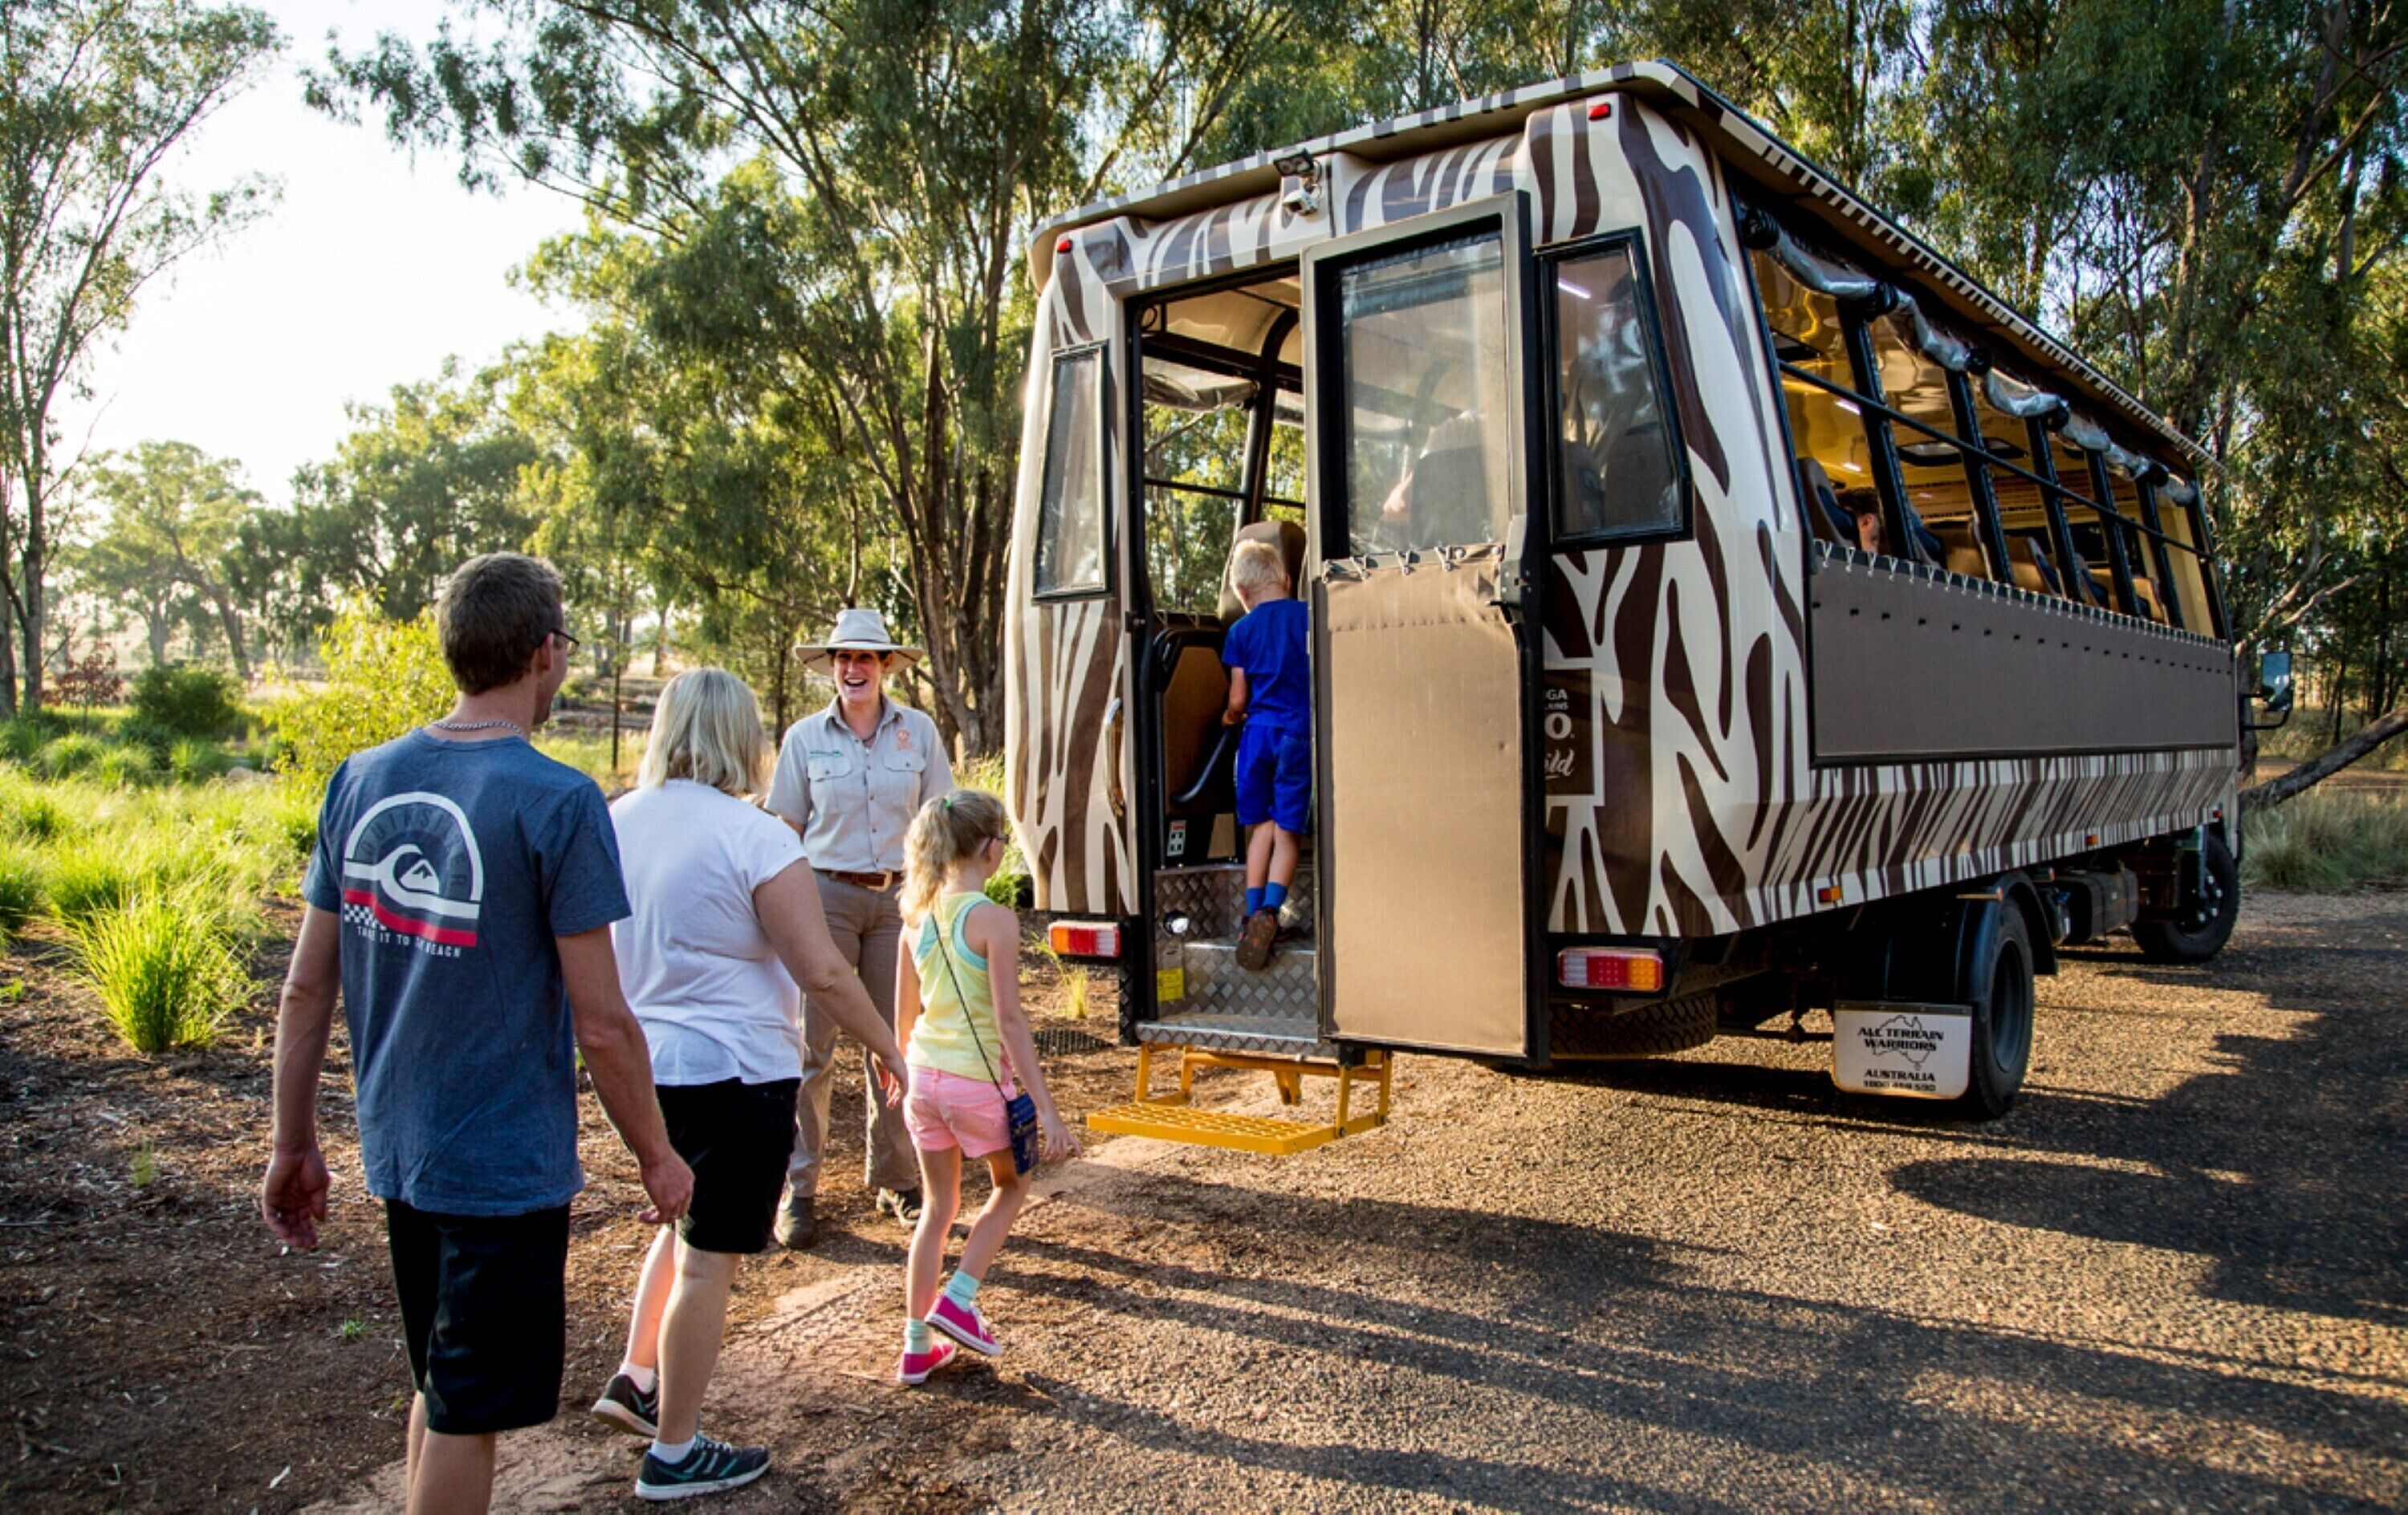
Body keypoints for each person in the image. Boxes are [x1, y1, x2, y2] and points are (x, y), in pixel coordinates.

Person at [260, 552, 693, 1515]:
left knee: (443, 1383)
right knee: (466, 1408)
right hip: (502, 1167)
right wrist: (657, 1156)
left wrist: (294, 1144)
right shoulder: (558, 799)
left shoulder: (359, 778)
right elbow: (603, 1022)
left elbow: (304, 988)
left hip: (401, 1150)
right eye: (565, 645)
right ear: (544, 652)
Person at [591, 668, 911, 1500]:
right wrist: (889, 1047)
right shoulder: (756, 836)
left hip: (646, 1069)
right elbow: (823, 971)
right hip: (735, 1073)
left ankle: (637, 1377)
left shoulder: (615, 822)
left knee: (682, 1220)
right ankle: (675, 1451)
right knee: (710, 1259)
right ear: (744, 738)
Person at [767, 608, 955, 1246]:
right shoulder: (803, 739)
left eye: (866, 658)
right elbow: (785, 831)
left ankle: (896, 1180)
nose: (854, 668)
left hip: (899, 900)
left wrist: (938, 900)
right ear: (832, 666)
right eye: (844, 657)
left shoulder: (918, 732)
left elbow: (939, 821)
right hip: (822, 896)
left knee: (896, 1042)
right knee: (810, 1048)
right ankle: (800, 1191)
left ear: (885, 666)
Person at [890, 790, 1080, 1384]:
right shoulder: (995, 920)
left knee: (937, 1208)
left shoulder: (914, 919)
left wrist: (899, 1071)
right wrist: (1047, 1111)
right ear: (990, 849)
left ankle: (916, 1345)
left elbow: (904, 1018)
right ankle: (959, 1298)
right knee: (1011, 1184)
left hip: (922, 1079)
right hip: (974, 1083)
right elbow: (1009, 1022)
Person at [1220, 538, 1312, 971]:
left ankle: (1250, 916)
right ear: (1287, 580)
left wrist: (1229, 716)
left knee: (1260, 827)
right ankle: (1272, 913)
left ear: (1242, 592)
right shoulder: (1310, 617)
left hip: (1256, 736)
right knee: (1288, 831)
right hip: (1297, 733)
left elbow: (1239, 698)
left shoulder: (1241, 631)